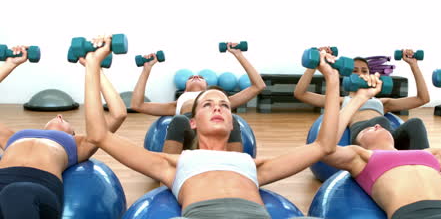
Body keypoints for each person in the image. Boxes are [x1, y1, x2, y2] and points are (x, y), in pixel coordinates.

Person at [85, 37, 339, 219]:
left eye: (225, 106)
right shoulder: (173, 163)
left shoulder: (253, 165)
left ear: (233, 121)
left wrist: (332, 77)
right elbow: (99, 135)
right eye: (208, 104)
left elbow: (324, 145)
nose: (218, 108)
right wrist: (93, 66)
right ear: (193, 122)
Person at [0, 45, 127, 218]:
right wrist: (10, 64)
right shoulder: (13, 137)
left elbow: (118, 114)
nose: (59, 115)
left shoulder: (79, 144)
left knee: (16, 193)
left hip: (37, 188)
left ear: (72, 134)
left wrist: (95, 67)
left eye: (66, 121)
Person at [320, 71, 441, 219]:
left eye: (378, 125)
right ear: (357, 142)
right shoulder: (361, 158)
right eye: (368, 128)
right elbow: (325, 147)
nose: (376, 125)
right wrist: (358, 99)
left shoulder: (430, 154)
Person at [131, 42, 266, 154]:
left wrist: (238, 55)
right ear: (184, 89)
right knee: (179, 120)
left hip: (217, 125)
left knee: (233, 119)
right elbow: (137, 105)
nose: (195, 77)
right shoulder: (177, 103)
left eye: (201, 77)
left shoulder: (219, 100)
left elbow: (258, 86)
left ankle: (234, 172)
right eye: (191, 78)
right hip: (189, 128)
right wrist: (146, 69)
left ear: (208, 87)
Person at [294, 48, 431, 149]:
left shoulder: (382, 102)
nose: (360, 74)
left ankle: (426, 168)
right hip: (365, 135)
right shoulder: (341, 101)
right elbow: (301, 94)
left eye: (364, 71)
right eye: (354, 71)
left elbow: (422, 99)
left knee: (415, 123)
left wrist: (414, 65)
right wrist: (315, 64)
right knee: (379, 120)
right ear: (346, 76)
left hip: (388, 135)